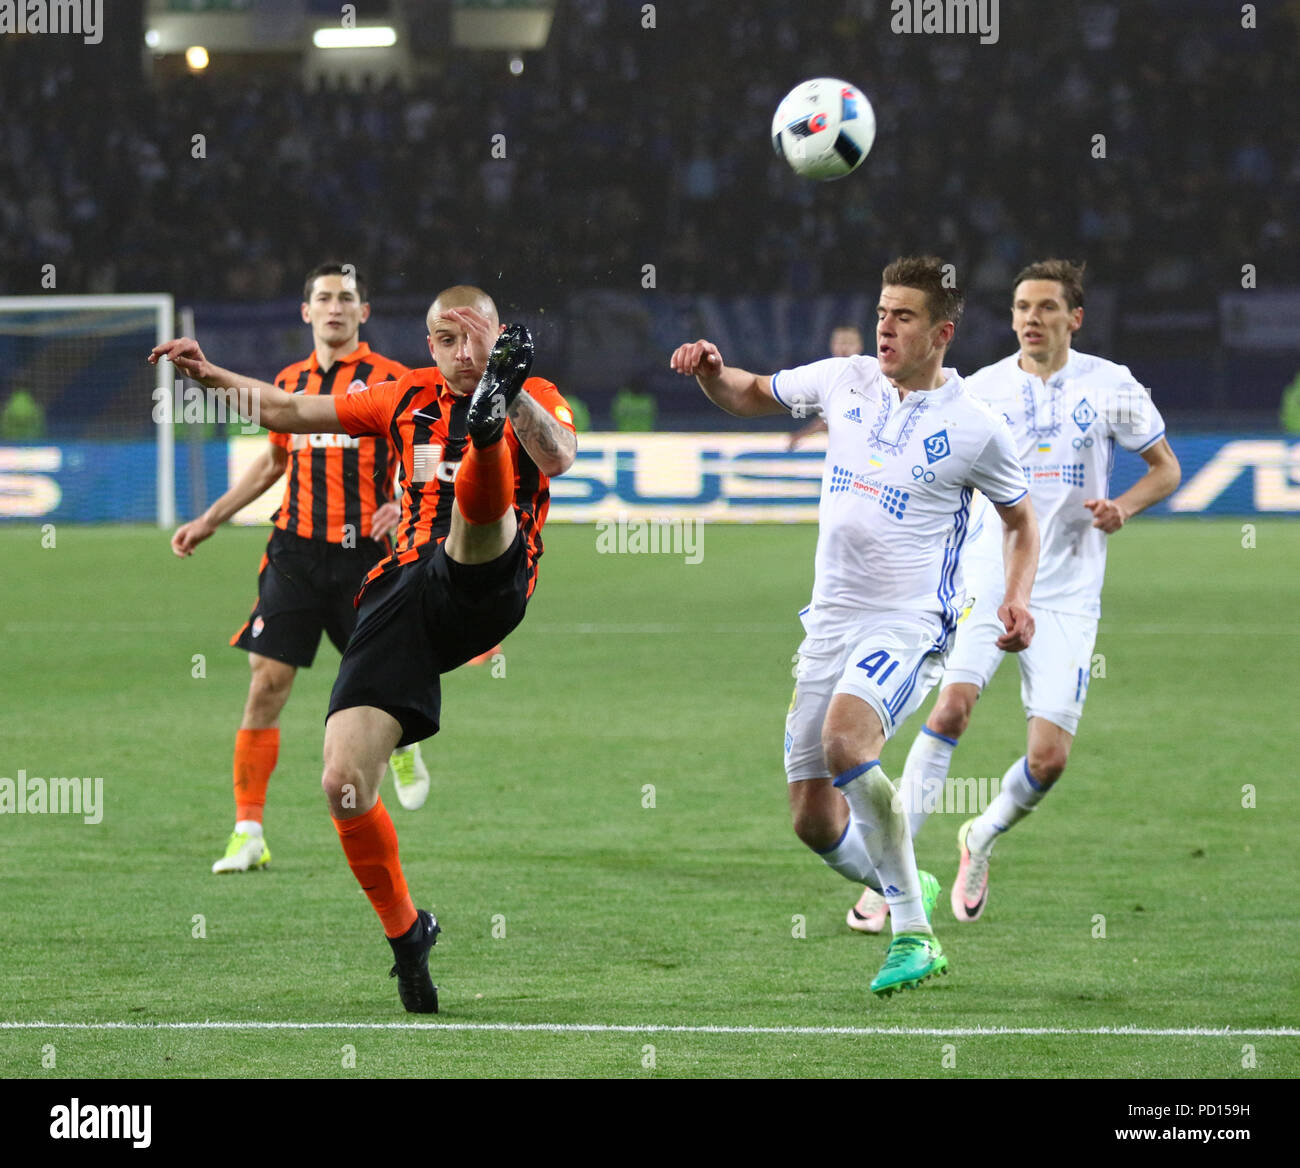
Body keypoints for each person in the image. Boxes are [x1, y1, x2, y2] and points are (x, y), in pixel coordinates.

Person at [153, 285, 577, 1012]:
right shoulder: (400, 397)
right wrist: (211, 375)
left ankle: (481, 440)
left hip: (489, 579)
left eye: (474, 338)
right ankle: (409, 937)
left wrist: (507, 402)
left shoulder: (535, 392)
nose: (459, 352)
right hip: (401, 595)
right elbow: (288, 413)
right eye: (446, 340)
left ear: (499, 339)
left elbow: (559, 455)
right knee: (343, 784)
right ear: (429, 345)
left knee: (473, 535)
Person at [670, 256, 1039, 997]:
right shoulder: (845, 380)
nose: (884, 327)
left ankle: (913, 933)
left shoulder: (975, 428)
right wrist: (712, 370)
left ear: (942, 332)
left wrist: (1018, 598)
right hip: (831, 620)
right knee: (811, 818)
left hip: (907, 623)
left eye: (902, 316)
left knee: (847, 740)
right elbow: (751, 393)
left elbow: (1020, 522)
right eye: (880, 311)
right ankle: (911, 885)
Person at [855, 259, 1180, 928]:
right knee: (951, 711)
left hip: (1068, 592)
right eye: (1021, 308)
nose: (1031, 318)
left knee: (1049, 758)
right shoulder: (980, 390)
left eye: (1045, 307)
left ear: (1074, 318)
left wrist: (1124, 507)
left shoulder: (1112, 386)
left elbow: (1165, 469)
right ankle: (889, 875)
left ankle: (982, 835)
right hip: (987, 576)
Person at [169, 263, 431, 875]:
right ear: (305, 312)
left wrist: (404, 503)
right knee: (266, 683)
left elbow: (426, 455)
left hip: (367, 556)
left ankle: (401, 746)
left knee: (382, 685)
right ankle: (248, 830)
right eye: (323, 298)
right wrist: (210, 519)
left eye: (346, 298)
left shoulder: (391, 381)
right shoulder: (289, 382)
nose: (334, 307)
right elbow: (272, 465)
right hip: (294, 551)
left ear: (364, 312)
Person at [786, 324, 863, 450]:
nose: (844, 348)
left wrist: (802, 434)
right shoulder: (823, 375)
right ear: (832, 345)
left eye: (849, 343)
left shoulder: (871, 375)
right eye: (840, 342)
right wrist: (801, 435)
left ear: (859, 346)